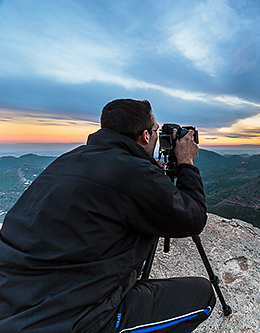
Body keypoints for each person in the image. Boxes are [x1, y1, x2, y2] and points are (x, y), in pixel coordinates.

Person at [0, 99, 216, 332]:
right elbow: (193, 219)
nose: (156, 138)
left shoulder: (69, 159)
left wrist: (148, 173)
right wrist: (186, 162)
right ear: (145, 136)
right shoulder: (134, 174)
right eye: (155, 132)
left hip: (12, 298)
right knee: (203, 296)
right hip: (74, 319)